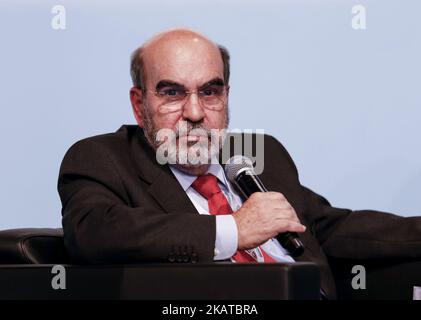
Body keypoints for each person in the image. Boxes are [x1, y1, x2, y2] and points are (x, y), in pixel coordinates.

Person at [57, 28, 421, 299]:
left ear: (226, 97)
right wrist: (233, 230)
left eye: (210, 92)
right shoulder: (103, 158)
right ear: (139, 105)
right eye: (172, 93)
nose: (195, 113)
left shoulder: (259, 154)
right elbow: (95, 233)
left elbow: (325, 227)